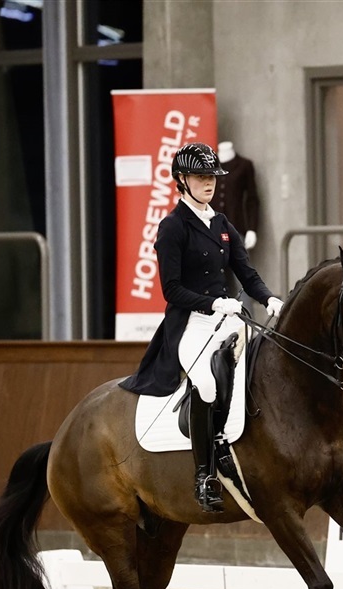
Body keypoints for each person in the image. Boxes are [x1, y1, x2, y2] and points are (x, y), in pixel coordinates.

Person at [120, 142, 283, 513]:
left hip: (227, 319)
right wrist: (213, 303)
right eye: (200, 176)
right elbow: (171, 289)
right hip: (191, 323)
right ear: (182, 180)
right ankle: (204, 474)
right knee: (207, 384)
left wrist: (269, 299)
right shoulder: (172, 227)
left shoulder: (222, 224)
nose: (209, 183)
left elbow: (247, 273)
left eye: (212, 176)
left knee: (262, 367)